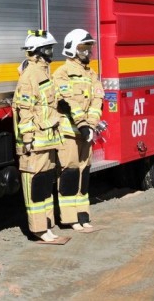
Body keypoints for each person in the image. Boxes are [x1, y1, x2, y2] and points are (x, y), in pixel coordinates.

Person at [12, 30, 66, 243]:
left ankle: (47, 226)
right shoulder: (30, 76)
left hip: (47, 140)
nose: (51, 52)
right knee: (34, 188)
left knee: (44, 185)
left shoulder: (44, 73)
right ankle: (38, 229)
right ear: (38, 52)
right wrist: (27, 138)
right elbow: (25, 109)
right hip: (34, 143)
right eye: (48, 49)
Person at [53, 29, 104, 232]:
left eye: (89, 47)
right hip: (69, 134)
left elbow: (96, 101)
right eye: (84, 48)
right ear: (73, 49)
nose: (88, 52)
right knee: (70, 173)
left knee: (85, 173)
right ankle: (69, 218)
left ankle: (83, 215)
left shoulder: (91, 74)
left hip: (86, 133)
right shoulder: (61, 74)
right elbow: (69, 102)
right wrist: (82, 125)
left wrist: (90, 125)